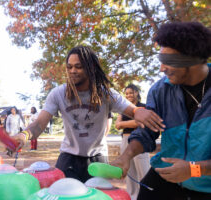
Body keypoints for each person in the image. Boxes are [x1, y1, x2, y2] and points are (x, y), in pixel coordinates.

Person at [12, 45, 164, 183]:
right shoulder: (58, 93)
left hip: (97, 159)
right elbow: (39, 124)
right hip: (68, 158)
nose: (72, 71)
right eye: (69, 67)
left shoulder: (106, 94)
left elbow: (133, 110)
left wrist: (140, 112)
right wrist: (23, 136)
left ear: (90, 67)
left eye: (78, 66)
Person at [111, 22, 211, 199]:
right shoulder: (160, 91)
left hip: (205, 184)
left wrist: (193, 169)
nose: (161, 69)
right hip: (166, 175)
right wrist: (126, 155)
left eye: (169, 62)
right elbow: (147, 132)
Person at [115, 84, 150, 200]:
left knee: (143, 170)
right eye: (126, 93)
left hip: (139, 140)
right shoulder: (123, 109)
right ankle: (132, 196)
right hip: (125, 140)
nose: (128, 95)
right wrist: (133, 122)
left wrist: (123, 124)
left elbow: (140, 123)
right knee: (129, 171)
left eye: (131, 92)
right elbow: (117, 125)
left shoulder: (143, 107)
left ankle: (146, 196)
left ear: (136, 93)